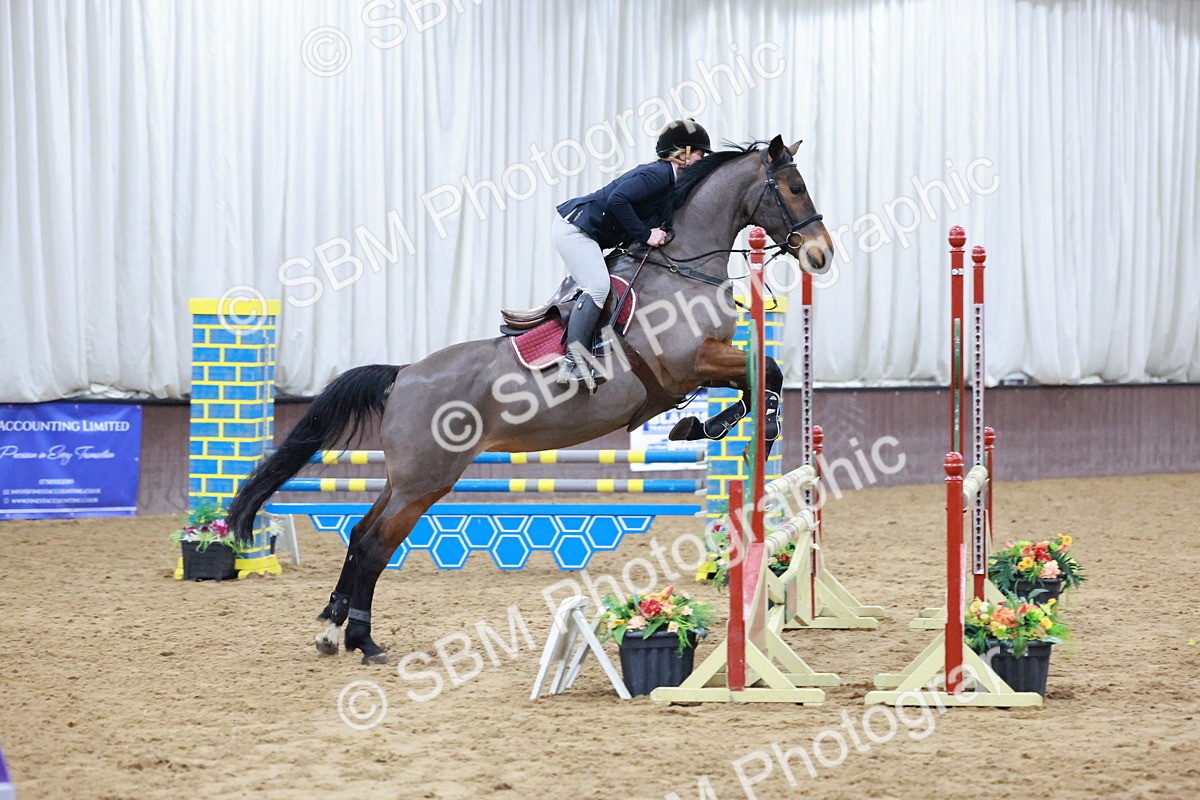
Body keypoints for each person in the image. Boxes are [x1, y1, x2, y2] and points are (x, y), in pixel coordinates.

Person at [552, 118, 712, 391]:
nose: (702, 158)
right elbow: (617, 200)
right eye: (699, 152)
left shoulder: (670, 183)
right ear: (683, 153)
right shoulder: (657, 174)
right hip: (576, 229)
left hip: (590, 234)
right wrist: (646, 234)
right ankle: (574, 361)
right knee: (598, 287)